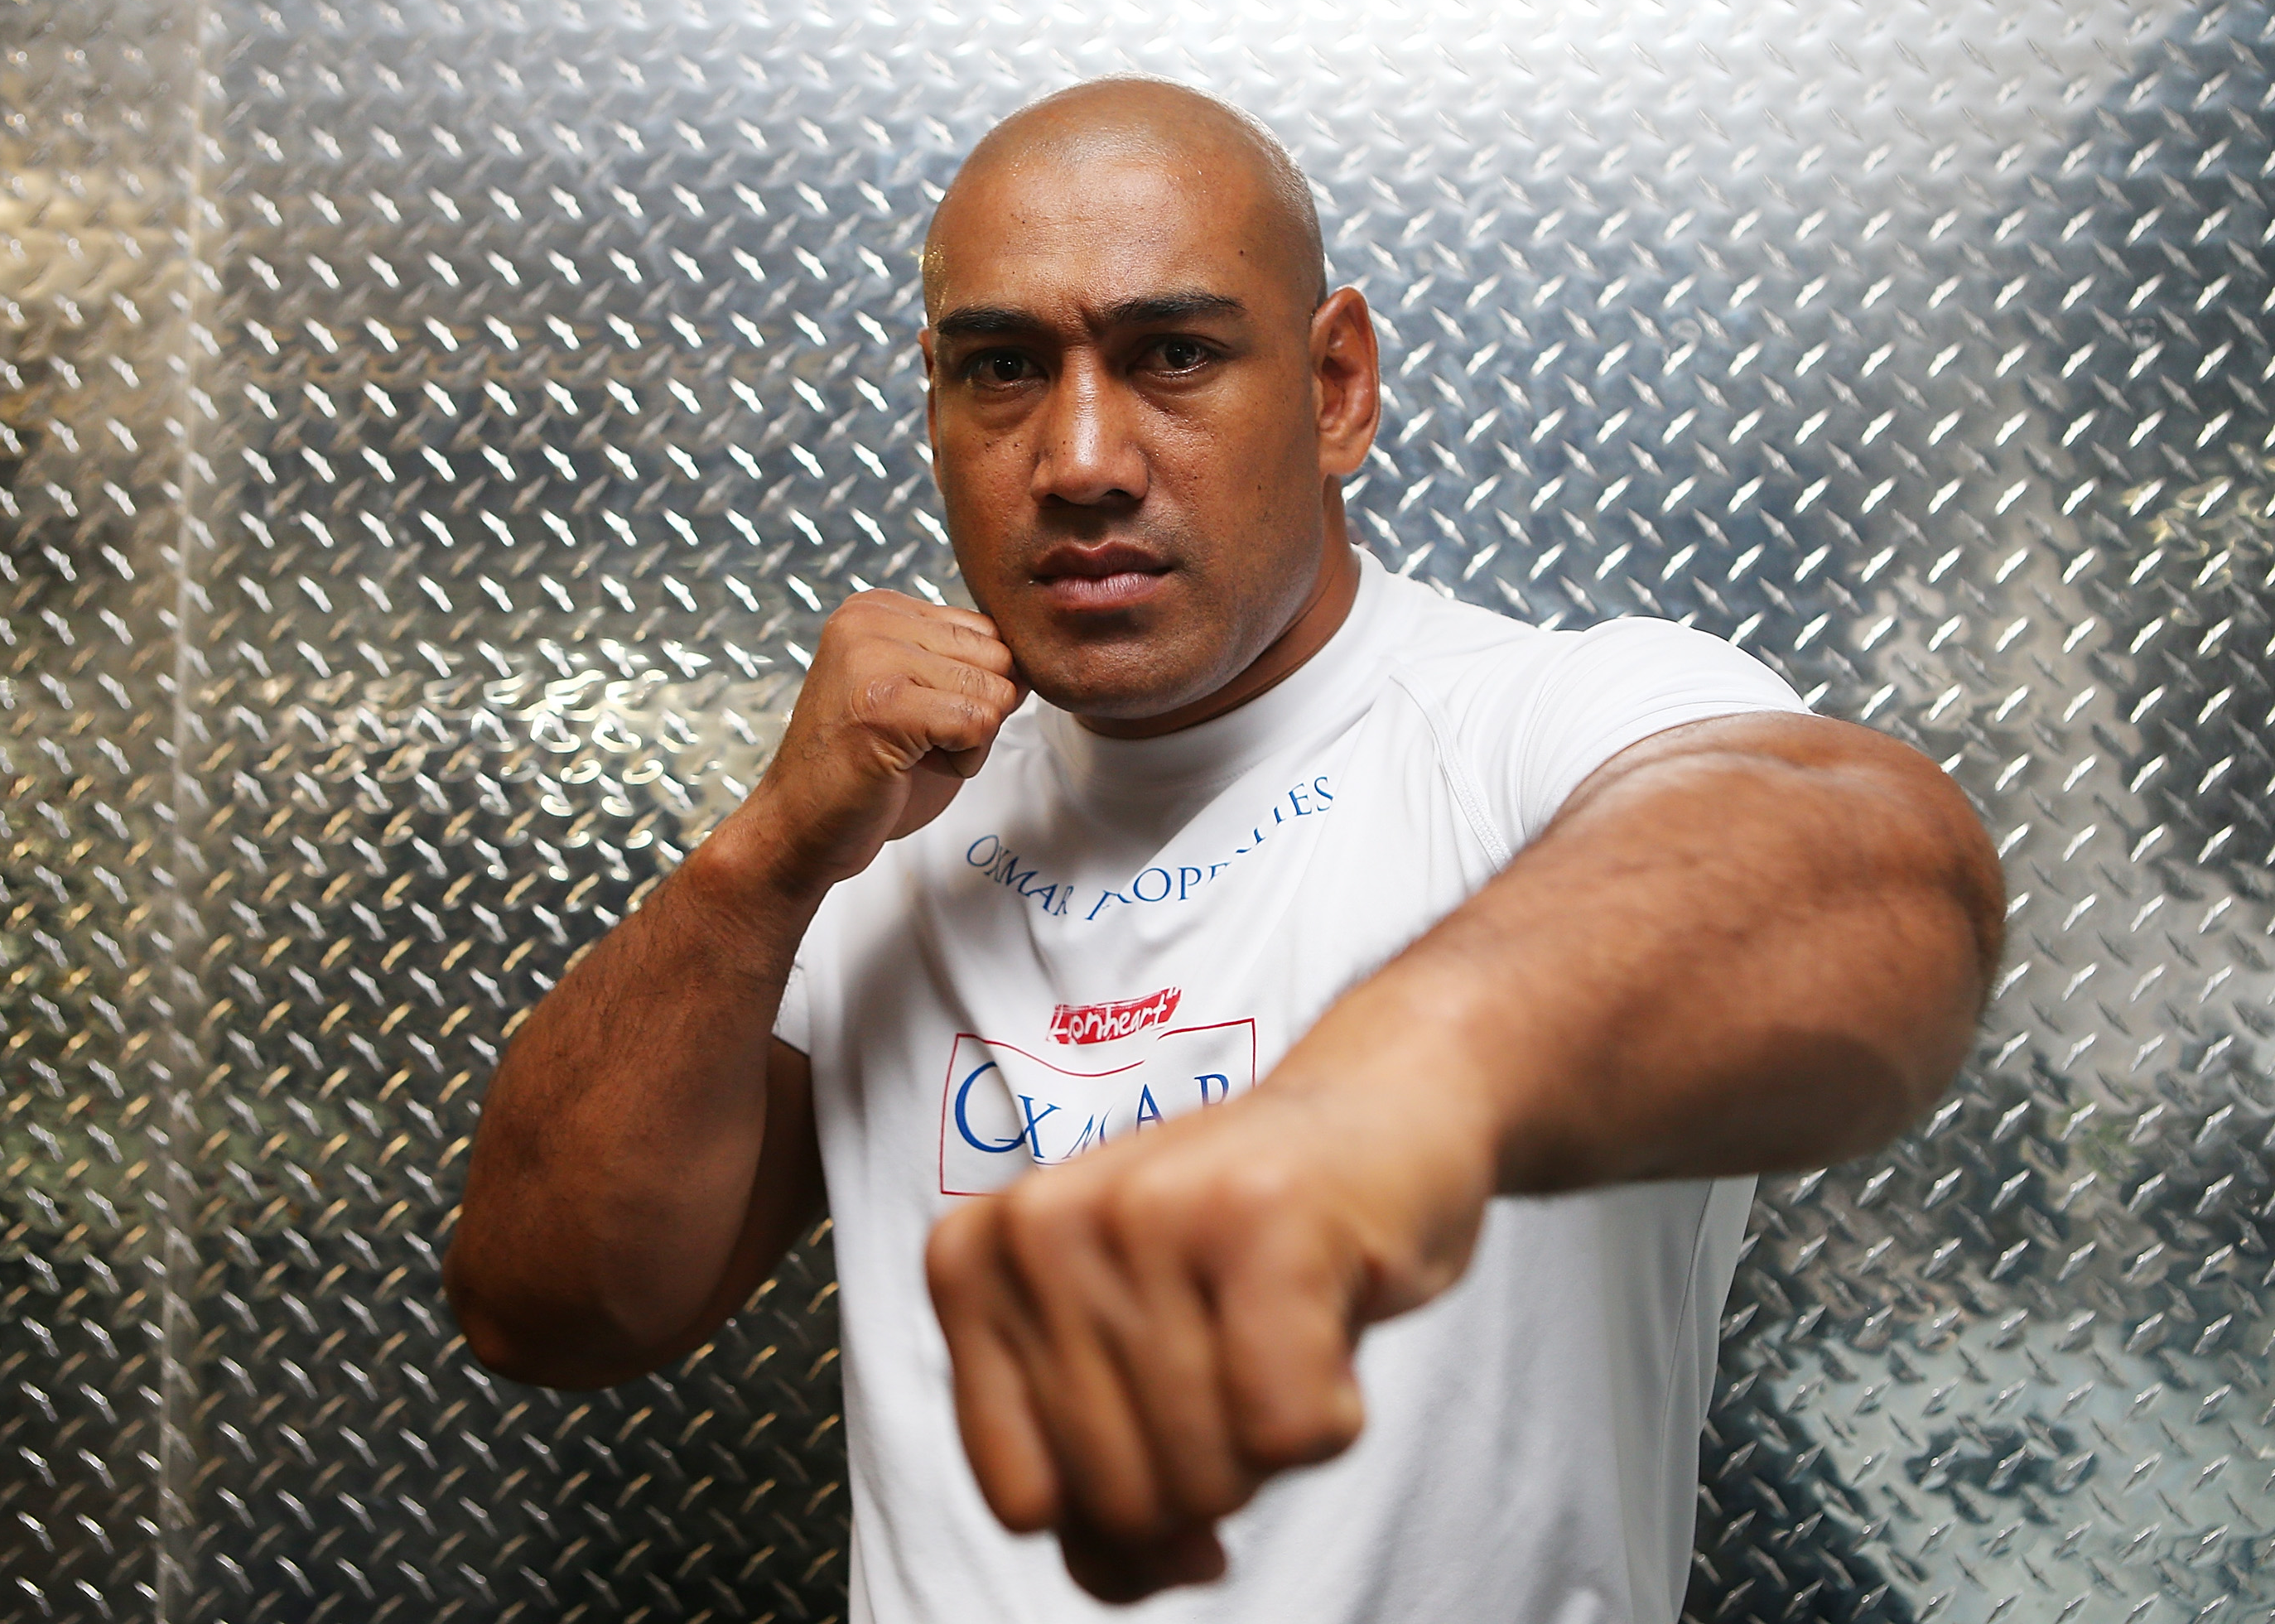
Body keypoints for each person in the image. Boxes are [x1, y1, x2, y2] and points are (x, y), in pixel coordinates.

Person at [445, 78, 2003, 1622]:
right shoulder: (877, 838)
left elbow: (1876, 872)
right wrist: (766, 860)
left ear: (1336, 388)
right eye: (1002, 368)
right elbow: (552, 1306)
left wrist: (1376, 1115)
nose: (1079, 459)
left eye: (1172, 355)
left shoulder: (1539, 726)